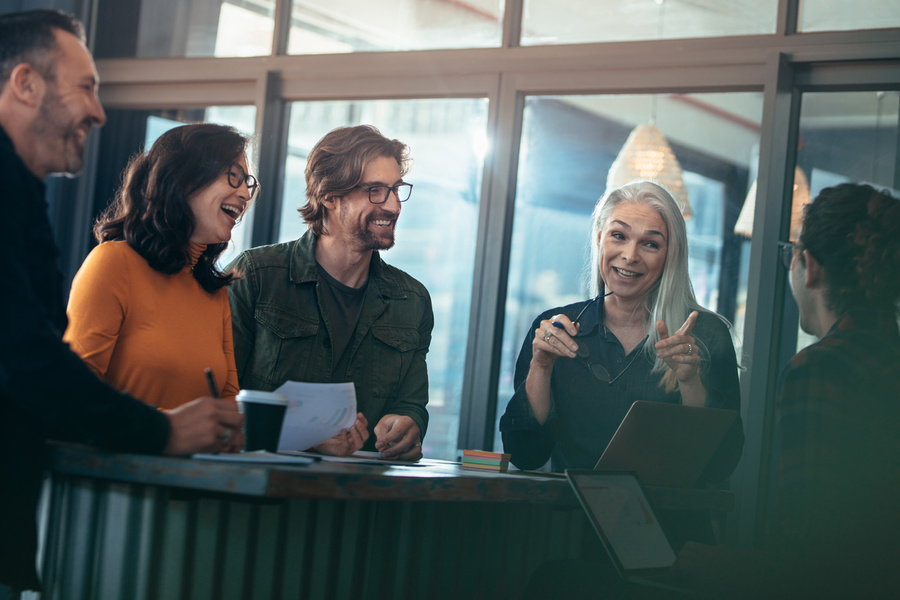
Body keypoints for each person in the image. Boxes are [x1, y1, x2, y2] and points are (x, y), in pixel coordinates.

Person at [0, 10, 243, 592]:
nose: (98, 111)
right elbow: (31, 361)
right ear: (25, 83)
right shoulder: (99, 253)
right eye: (85, 86)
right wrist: (160, 432)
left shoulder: (21, 194)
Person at [673, 183, 900, 599]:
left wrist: (729, 567)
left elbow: (812, 560)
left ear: (807, 264)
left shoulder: (822, 368)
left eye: (789, 256)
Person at [501, 181, 743, 549]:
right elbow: (525, 454)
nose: (630, 255)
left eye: (650, 243)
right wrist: (541, 365)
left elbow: (721, 464)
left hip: (672, 541)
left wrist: (690, 381)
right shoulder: (555, 329)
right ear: (599, 239)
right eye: (619, 236)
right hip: (573, 539)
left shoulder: (705, 335)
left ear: (670, 255)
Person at [228, 125, 432, 460]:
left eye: (396, 189)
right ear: (329, 196)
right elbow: (216, 401)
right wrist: (302, 438)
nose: (394, 206)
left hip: (358, 502)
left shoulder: (413, 301)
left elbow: (410, 404)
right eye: (376, 190)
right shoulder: (254, 276)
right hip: (259, 495)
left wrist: (405, 423)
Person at [64, 123, 252, 409]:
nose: (246, 195)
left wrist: (309, 437)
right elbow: (73, 396)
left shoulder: (213, 291)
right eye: (234, 176)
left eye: (248, 183)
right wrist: (168, 429)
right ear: (183, 177)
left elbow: (227, 405)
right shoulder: (113, 263)